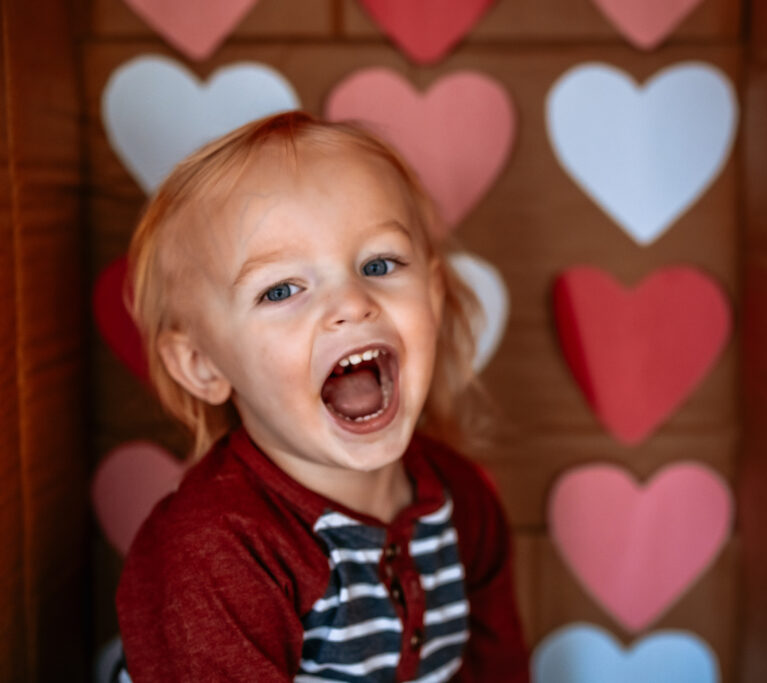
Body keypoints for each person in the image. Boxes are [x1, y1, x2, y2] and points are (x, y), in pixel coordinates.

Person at [115, 111, 529, 682]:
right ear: (203, 364)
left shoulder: (462, 503)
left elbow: (498, 671)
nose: (352, 303)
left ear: (433, 298)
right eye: (281, 289)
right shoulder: (214, 550)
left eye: (378, 264)